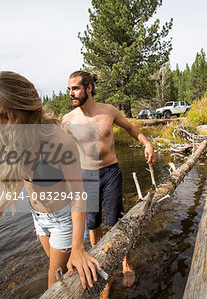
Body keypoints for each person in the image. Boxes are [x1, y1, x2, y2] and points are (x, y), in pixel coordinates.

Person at [0, 71, 100, 290]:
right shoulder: (14, 139)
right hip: (38, 219)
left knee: (53, 284)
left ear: (25, 108)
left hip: (63, 220)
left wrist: (78, 248)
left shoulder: (59, 141)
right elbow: (20, 179)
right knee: (63, 275)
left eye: (6, 116)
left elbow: (78, 195)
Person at [62, 70, 156, 297]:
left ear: (89, 88)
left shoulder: (108, 111)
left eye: (75, 88)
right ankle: (101, 269)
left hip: (110, 172)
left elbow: (131, 129)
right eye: (69, 90)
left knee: (117, 221)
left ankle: (126, 264)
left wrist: (147, 143)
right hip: (85, 176)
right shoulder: (68, 119)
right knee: (92, 223)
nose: (71, 94)